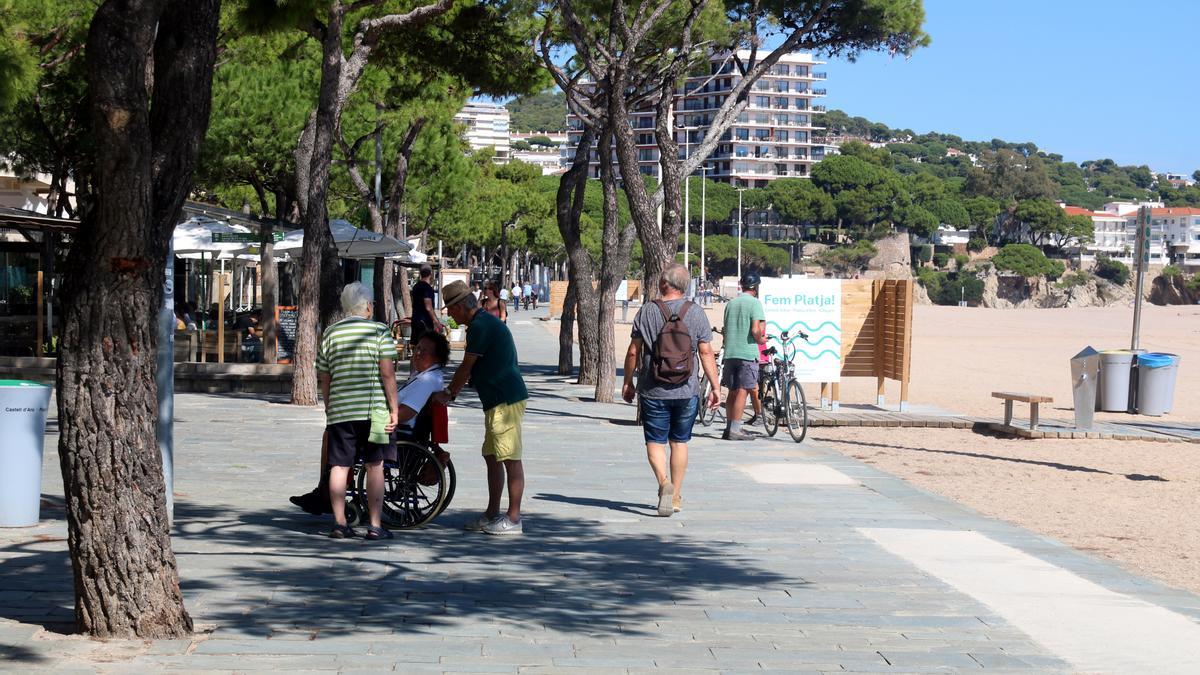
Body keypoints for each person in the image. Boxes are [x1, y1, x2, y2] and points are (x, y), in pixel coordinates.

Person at [622, 264, 720, 516]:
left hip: (653, 389)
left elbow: (634, 350)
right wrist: (715, 387)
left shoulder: (647, 311)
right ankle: (675, 496)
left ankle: (663, 482)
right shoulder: (696, 313)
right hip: (686, 390)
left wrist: (628, 382)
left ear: (665, 284)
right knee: (680, 442)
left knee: (655, 442)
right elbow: (706, 351)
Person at [436, 280, 527, 535]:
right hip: (495, 400)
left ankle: (514, 518)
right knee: (492, 455)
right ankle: (492, 513)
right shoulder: (481, 323)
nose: (451, 315)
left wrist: (449, 393)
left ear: (462, 306)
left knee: (510, 457)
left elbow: (467, 366)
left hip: (504, 399)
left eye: (451, 310)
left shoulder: (480, 326)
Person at [315, 282, 399, 540]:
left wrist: (330, 407)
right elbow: (387, 373)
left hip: (341, 410)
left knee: (339, 466)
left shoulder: (331, 333)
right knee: (375, 465)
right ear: (369, 306)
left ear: (345, 307)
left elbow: (325, 377)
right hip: (374, 411)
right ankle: (374, 525)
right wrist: (394, 409)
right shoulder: (379, 331)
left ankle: (340, 523)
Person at [721, 272, 766, 441]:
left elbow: (726, 330)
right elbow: (755, 330)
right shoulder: (755, 303)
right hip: (747, 353)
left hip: (730, 352)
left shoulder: (731, 304)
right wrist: (761, 339)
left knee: (732, 391)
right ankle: (736, 430)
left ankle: (729, 427)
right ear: (755, 287)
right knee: (743, 391)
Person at [410, 265, 441, 342]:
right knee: (426, 345)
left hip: (415, 320)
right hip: (424, 322)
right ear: (431, 274)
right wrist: (437, 322)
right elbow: (428, 307)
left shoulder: (415, 287)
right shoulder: (427, 288)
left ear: (420, 273)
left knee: (417, 345)